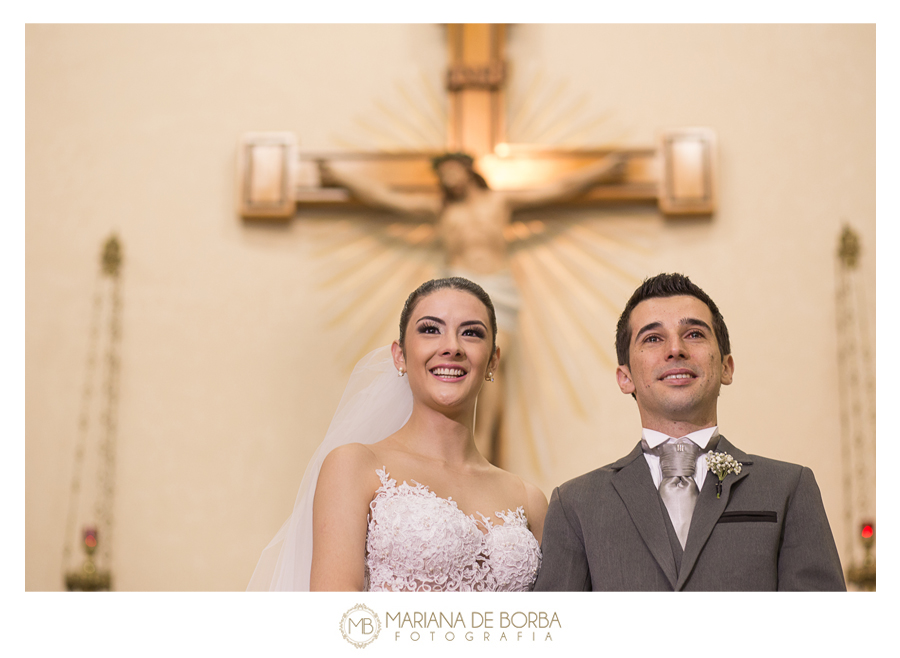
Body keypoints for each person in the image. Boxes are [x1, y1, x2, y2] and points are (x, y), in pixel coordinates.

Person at [534, 273, 845, 591]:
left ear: (726, 367)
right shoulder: (575, 504)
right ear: (624, 377)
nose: (675, 349)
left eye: (694, 334)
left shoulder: (789, 488)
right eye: (653, 338)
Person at [319, 152, 625, 464]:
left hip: (498, 293)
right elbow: (385, 197)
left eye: (452, 172)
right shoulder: (439, 210)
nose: (448, 181)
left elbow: (559, 188)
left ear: (467, 170)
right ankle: (447, 450)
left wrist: (602, 169)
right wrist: (341, 176)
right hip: (457, 293)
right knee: (449, 373)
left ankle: (484, 454)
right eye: (442, 177)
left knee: (489, 373)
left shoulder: (498, 202)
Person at [248, 277, 547, 591]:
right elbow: (337, 619)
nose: (452, 347)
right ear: (400, 355)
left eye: (471, 333)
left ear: (493, 361)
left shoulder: (529, 500)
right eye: (430, 329)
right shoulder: (354, 466)